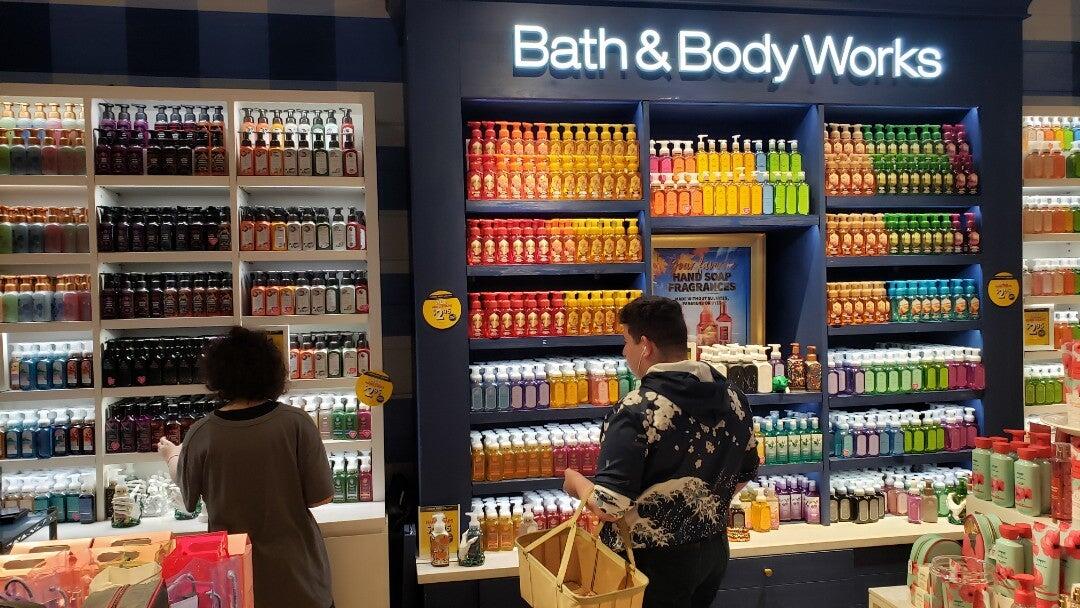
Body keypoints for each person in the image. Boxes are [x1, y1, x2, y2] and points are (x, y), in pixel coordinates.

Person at [563, 296, 758, 608]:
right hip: (713, 551)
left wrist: (575, 482)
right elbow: (746, 471)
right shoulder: (734, 397)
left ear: (645, 346)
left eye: (626, 342)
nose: (624, 352)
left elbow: (609, 506)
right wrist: (703, 506)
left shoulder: (637, 409)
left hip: (651, 563)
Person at [158, 326, 334, 608]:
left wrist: (171, 456)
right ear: (273, 372)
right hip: (299, 578)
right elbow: (320, 497)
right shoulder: (297, 423)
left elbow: (188, 500)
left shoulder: (201, 432)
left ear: (217, 375)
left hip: (233, 580)